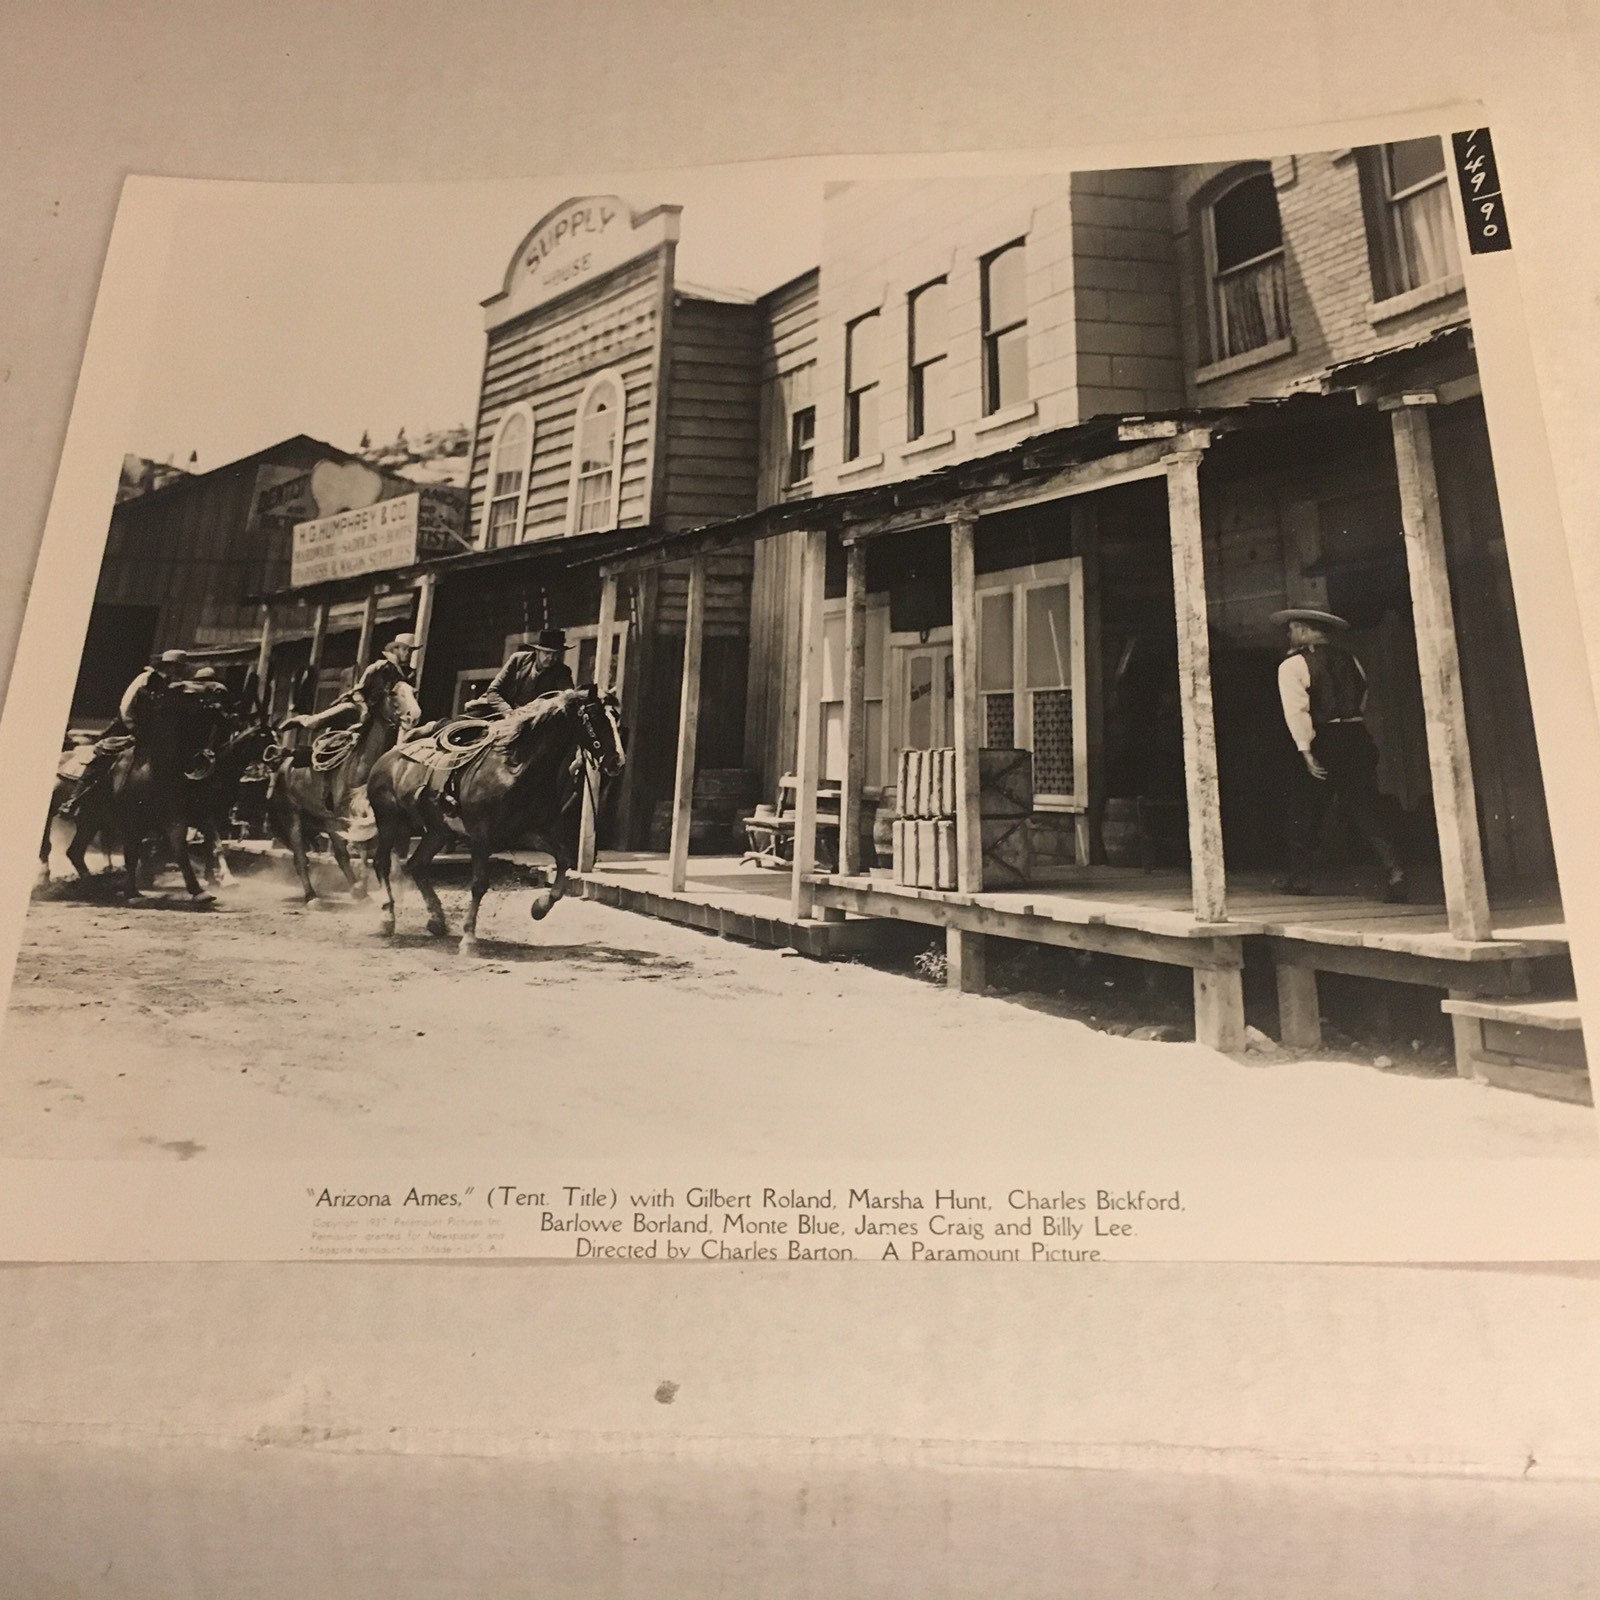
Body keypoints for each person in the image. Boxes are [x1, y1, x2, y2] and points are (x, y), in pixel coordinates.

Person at [1272, 608, 1407, 903]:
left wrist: (1306, 751)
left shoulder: (1293, 665)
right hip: (1357, 738)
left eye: (1293, 629)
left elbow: (1297, 711)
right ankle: (1396, 870)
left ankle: (1300, 877)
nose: (1289, 635)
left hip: (1323, 739)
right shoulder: (1351, 659)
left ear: (1305, 631)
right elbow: (1363, 697)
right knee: (1365, 805)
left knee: (1304, 810)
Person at [59, 649, 191, 817]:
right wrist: (133, 727)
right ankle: (74, 798)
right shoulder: (145, 679)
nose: (180, 671)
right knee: (102, 756)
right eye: (178, 667)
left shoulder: (174, 687)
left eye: (181, 668)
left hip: (151, 733)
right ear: (169, 666)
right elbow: (126, 706)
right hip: (126, 727)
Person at [285, 633, 418, 735]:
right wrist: (364, 708)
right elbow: (358, 691)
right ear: (396, 649)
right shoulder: (377, 667)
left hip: (383, 715)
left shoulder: (407, 675)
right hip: (361, 706)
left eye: (411, 651)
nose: (408, 653)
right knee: (334, 715)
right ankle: (304, 720)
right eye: (405, 649)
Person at [468, 628, 575, 718]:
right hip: (499, 711)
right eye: (547, 653)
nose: (551, 658)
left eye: (556, 654)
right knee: (459, 727)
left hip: (531, 719)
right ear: (537, 651)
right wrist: (508, 712)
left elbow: (567, 694)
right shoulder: (518, 660)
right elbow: (493, 691)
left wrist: (570, 694)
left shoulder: (562, 671)